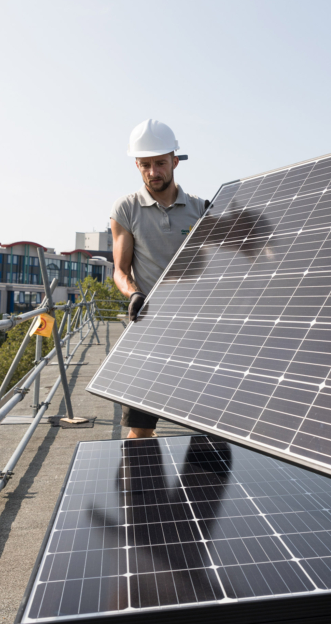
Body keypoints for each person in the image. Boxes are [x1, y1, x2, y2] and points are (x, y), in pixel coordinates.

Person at [110, 119, 209, 438]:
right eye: (145, 165)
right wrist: (133, 294)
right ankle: (140, 489)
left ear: (175, 161)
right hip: (150, 332)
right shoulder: (125, 209)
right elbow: (120, 271)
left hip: (198, 331)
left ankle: (202, 488)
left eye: (160, 163)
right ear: (137, 166)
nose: (154, 172)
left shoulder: (201, 209)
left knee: (208, 428)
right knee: (140, 429)